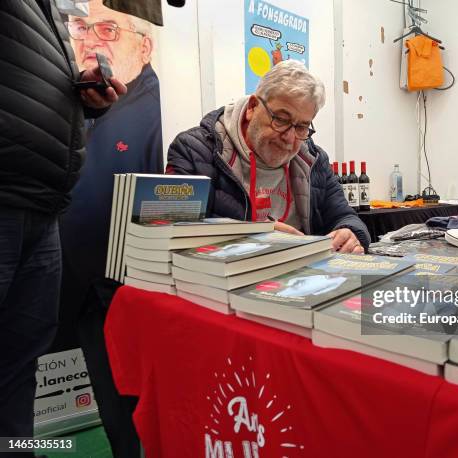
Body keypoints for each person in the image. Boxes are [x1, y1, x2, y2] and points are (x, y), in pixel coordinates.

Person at [0, 0, 126, 453]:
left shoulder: (49, 13)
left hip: (43, 206)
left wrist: (84, 105)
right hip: (9, 198)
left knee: (19, 363)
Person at [166, 60, 370, 253]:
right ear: (253, 107)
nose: (289, 138)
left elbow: (346, 217)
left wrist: (350, 234)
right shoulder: (194, 150)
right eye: (281, 120)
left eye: (301, 126)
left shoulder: (313, 160)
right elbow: (173, 234)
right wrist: (255, 238)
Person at [55, 0, 163, 351]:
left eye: (108, 30)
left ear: (144, 47)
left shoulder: (151, 108)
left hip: (118, 288)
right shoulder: (64, 94)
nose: (91, 42)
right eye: (82, 28)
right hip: (55, 282)